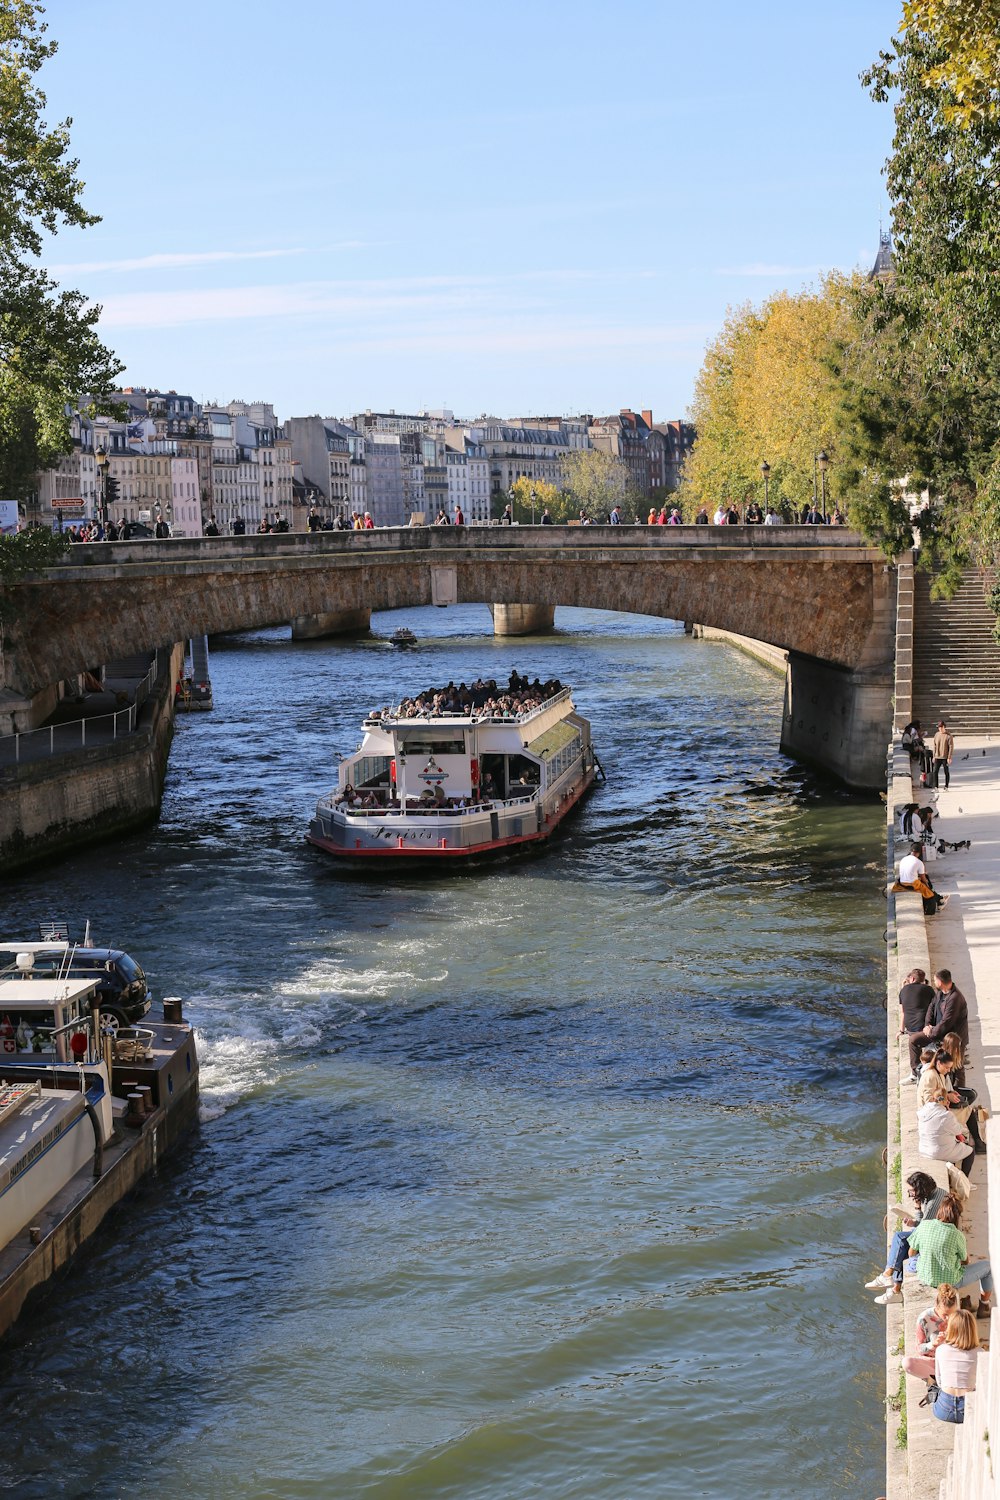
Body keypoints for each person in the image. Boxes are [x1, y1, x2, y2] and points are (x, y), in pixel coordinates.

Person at [866, 1170, 950, 1302]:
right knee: (900, 1248)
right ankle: (894, 1287)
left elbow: (923, 1230)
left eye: (911, 1191)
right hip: (935, 1232)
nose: (910, 1195)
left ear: (920, 1189)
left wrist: (917, 1209)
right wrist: (914, 1222)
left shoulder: (933, 1203)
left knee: (900, 1239)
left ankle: (890, 1278)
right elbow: (925, 1224)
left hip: (937, 1239)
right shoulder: (936, 1193)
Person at [929, 1308, 981, 1424]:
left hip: (943, 1410)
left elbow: (940, 1381)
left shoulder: (941, 1350)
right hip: (968, 1408)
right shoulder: (980, 1352)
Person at [901, 1284, 960, 1380]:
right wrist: (933, 1344)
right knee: (907, 1363)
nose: (948, 1318)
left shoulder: (960, 1317)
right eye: (945, 1314)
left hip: (954, 1360)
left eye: (952, 1314)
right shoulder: (924, 1318)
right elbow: (920, 1349)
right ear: (937, 1306)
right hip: (933, 1361)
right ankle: (939, 1378)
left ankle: (939, 1380)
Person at [916, 1097, 975, 1175]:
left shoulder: (923, 1111)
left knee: (952, 1144)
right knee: (970, 1151)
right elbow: (959, 1129)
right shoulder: (946, 1115)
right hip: (938, 1151)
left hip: (924, 1149)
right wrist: (949, 1110)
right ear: (947, 1102)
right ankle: (964, 1179)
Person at [898, 967, 935, 1080]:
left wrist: (901, 1031)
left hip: (911, 1029)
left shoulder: (903, 991)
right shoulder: (928, 990)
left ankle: (915, 1072)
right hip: (925, 1028)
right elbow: (935, 1007)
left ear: (912, 978)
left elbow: (903, 1013)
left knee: (914, 1042)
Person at [895, 843, 948, 916]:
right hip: (912, 884)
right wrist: (928, 885)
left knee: (927, 887)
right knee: (929, 890)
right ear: (919, 853)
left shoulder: (904, 859)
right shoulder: (919, 862)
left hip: (902, 883)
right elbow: (923, 878)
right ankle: (939, 900)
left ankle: (940, 899)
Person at [932, 720, 954, 789]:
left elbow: (951, 747)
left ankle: (946, 786)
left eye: (941, 727)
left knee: (946, 772)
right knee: (935, 771)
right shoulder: (936, 734)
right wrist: (934, 756)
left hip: (945, 757)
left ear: (944, 727)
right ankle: (936, 787)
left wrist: (949, 757)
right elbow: (934, 745)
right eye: (939, 727)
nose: (940, 728)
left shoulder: (948, 736)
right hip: (937, 756)